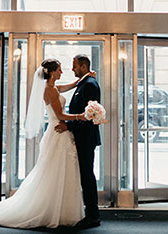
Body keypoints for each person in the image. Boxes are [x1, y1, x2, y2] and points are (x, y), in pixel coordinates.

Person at [0, 58, 96, 229]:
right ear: (52, 72)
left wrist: (82, 80)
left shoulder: (53, 88)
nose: (62, 72)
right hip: (58, 132)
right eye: (59, 70)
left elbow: (68, 86)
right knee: (54, 171)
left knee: (62, 171)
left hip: (60, 133)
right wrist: (79, 116)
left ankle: (60, 209)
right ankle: (50, 209)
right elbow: (60, 115)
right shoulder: (50, 90)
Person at [57, 54, 101, 229]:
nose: (72, 69)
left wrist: (69, 126)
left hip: (86, 137)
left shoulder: (90, 85)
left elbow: (89, 115)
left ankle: (93, 215)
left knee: (87, 176)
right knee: (85, 175)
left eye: (74, 66)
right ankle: (91, 213)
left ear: (83, 67)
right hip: (82, 137)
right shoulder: (84, 82)